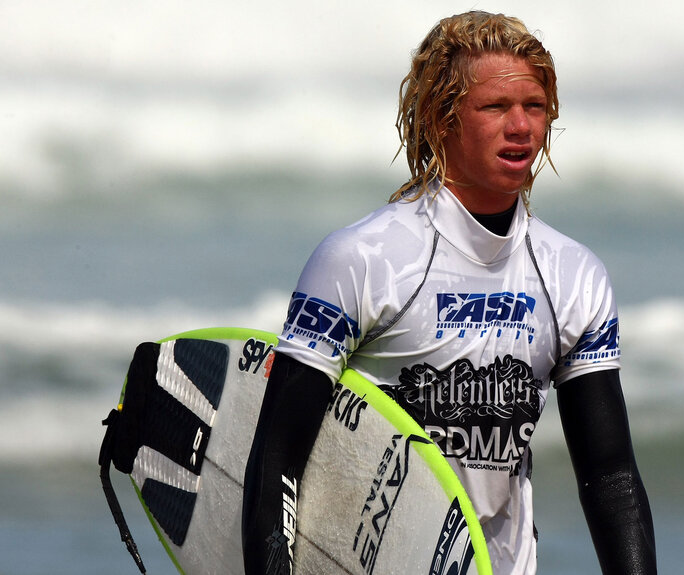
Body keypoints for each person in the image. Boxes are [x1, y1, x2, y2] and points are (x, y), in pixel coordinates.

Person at [242, 10, 656, 575]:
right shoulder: (363, 259)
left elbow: (609, 476)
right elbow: (276, 459)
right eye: (495, 108)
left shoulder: (572, 276)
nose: (522, 127)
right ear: (442, 118)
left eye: (534, 107)